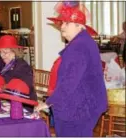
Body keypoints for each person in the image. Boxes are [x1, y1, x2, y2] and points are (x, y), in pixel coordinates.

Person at [35, 2, 108, 137]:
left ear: (79, 26)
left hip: (79, 108)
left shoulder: (78, 46)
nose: (62, 26)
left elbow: (70, 81)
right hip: (84, 104)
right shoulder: (83, 42)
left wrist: (49, 102)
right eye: (62, 23)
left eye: (67, 23)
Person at [0, 35, 37, 112]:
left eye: (5, 52)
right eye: (0, 52)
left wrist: (3, 88)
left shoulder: (22, 66)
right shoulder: (0, 63)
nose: (2, 55)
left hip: (21, 104)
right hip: (3, 101)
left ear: (14, 52)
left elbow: (24, 88)